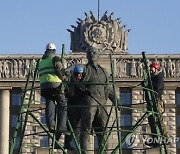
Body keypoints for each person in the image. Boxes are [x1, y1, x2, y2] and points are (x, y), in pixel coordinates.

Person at [79, 46, 119, 154]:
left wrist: (115, 99)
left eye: (95, 52)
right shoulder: (84, 69)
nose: (92, 54)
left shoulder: (104, 71)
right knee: (86, 128)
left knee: (103, 129)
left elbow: (108, 87)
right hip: (89, 101)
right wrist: (85, 89)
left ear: (98, 54)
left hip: (102, 102)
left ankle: (104, 151)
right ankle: (85, 152)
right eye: (90, 52)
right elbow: (76, 83)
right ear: (87, 55)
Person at [38, 43, 69, 144]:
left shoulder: (42, 61)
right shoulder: (55, 59)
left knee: (50, 105)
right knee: (62, 105)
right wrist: (65, 79)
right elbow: (60, 71)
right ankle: (61, 127)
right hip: (55, 86)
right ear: (54, 51)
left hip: (44, 87)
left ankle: (50, 125)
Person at [146, 62, 168, 147]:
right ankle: (155, 139)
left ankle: (165, 136)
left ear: (156, 69)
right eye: (150, 69)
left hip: (156, 101)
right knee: (151, 121)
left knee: (158, 119)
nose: (150, 71)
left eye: (152, 69)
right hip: (150, 102)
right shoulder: (151, 78)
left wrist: (149, 82)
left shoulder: (159, 77)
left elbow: (157, 87)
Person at [64, 65, 85, 150]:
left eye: (81, 75)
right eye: (78, 75)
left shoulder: (74, 81)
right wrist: (85, 90)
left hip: (73, 106)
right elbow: (79, 88)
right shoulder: (73, 81)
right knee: (75, 127)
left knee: (71, 127)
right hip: (73, 107)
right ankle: (75, 144)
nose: (80, 76)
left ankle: (69, 143)